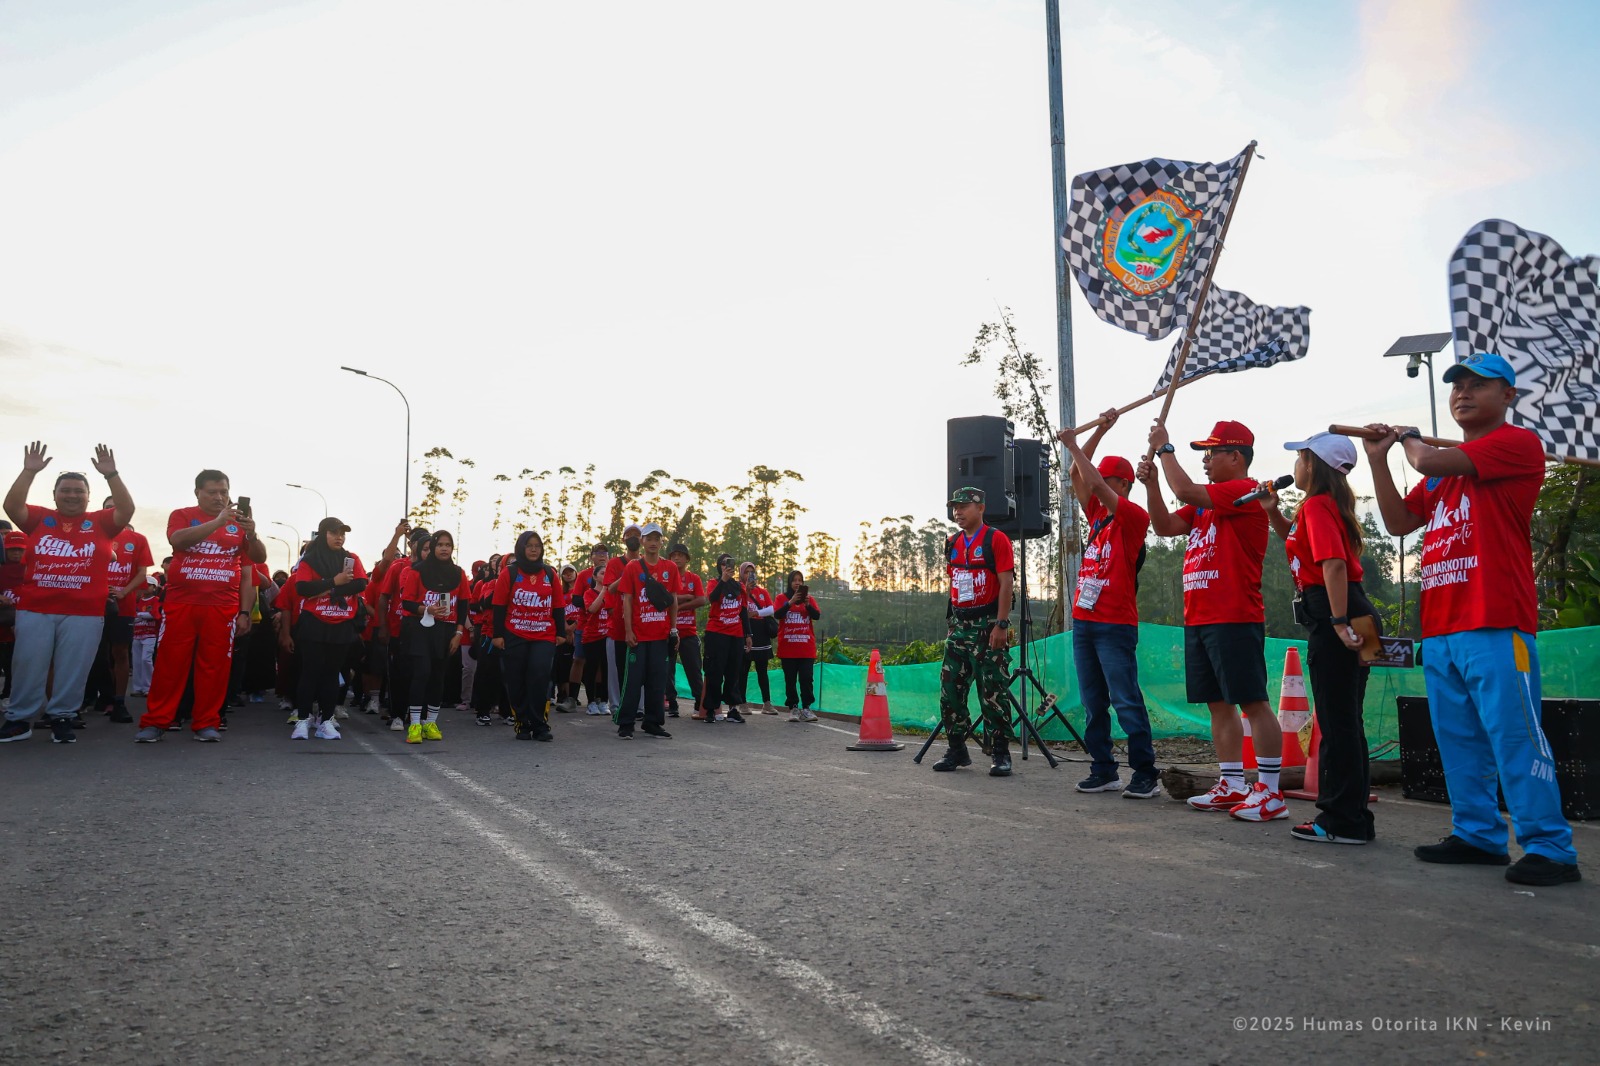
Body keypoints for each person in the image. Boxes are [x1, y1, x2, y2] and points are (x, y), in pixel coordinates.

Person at [1367, 352, 1579, 886]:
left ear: (1508, 396)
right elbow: (1398, 521)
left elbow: (1424, 460)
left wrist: (1409, 438)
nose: (1463, 392)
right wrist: (1377, 459)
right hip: (1442, 626)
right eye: (1457, 384)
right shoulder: (1443, 473)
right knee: (1458, 739)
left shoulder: (1517, 444)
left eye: (1478, 385)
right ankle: (1478, 835)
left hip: (1496, 620)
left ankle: (1551, 848)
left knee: (1515, 736)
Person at [1140, 420, 1283, 820]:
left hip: (1234, 615)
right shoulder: (1206, 504)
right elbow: (1165, 526)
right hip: (1200, 617)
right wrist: (1152, 485)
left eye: (1211, 453)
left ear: (1235, 457)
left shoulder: (1244, 491)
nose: (1205, 460)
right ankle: (1232, 783)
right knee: (1218, 705)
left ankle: (1270, 792)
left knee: (1253, 702)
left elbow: (1184, 489)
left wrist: (1165, 450)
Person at [1262, 432, 1376, 844]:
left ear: (1312, 465)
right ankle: (1354, 817)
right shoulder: (1324, 506)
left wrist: (1339, 621)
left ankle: (1340, 820)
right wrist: (1272, 512)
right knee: (1347, 721)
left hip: (1338, 612)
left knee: (1337, 722)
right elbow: (1299, 545)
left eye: (1300, 457)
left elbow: (1334, 565)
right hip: (1352, 611)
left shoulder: (1317, 505)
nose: (1295, 464)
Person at [1, 443, 133, 744]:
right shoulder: (39, 518)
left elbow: (126, 509)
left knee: (74, 667)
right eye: (65, 490)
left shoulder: (101, 522)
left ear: (88, 496)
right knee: (27, 664)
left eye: (78, 491)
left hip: (85, 612)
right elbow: (12, 506)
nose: (72, 495)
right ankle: (19, 719)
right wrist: (29, 471)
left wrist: (111, 474)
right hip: (36, 608)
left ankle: (62, 716)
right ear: (55, 495)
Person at [1058, 417, 1159, 799]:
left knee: (1126, 700)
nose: (1096, 482)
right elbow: (1076, 474)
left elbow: (1093, 481)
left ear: (1123, 485)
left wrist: (1073, 443)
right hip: (1085, 622)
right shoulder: (1098, 517)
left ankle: (1145, 773)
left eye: (1105, 479)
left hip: (1115, 625)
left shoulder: (1133, 517)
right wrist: (1098, 431)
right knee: (1093, 702)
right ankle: (1103, 769)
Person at [135, 468, 265, 744]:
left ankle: (206, 722)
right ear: (198, 493)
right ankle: (156, 721)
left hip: (222, 607)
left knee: (214, 667)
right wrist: (218, 522)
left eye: (224, 492)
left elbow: (257, 559)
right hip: (181, 603)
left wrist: (251, 534)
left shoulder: (238, 524)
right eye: (212, 492)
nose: (219, 497)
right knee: (170, 664)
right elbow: (177, 540)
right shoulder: (182, 515)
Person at [932, 486, 1015, 777]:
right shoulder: (952, 542)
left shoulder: (996, 539)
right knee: (950, 690)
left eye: (964, 506)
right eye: (955, 507)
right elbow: (955, 580)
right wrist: (953, 622)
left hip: (988, 626)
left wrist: (1001, 624)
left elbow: (1006, 583)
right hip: (959, 626)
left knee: (992, 690)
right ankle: (956, 749)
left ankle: (1000, 752)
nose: (958, 512)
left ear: (980, 508)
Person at [287, 518, 369, 740]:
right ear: (323, 534)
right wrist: (335, 581)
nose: (339, 537)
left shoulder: (351, 559)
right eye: (334, 533)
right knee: (310, 672)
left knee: (332, 673)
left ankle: (325, 721)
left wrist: (328, 589)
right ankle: (303, 720)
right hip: (314, 623)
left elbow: (361, 583)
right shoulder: (309, 559)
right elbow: (303, 588)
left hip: (341, 623)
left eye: (342, 533)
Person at [492, 530, 566, 741]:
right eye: (529, 546)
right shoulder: (509, 573)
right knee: (516, 679)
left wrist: (561, 633)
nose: (534, 550)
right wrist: (498, 635)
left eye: (537, 546)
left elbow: (558, 605)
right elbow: (498, 605)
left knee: (540, 675)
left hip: (544, 634)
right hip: (515, 633)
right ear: (521, 548)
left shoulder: (549, 573)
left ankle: (540, 724)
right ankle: (522, 723)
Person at [399, 531, 471, 743]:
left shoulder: (458, 573)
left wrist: (459, 633)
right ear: (432, 548)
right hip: (421, 629)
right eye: (439, 544)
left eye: (448, 545)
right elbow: (406, 603)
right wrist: (426, 609)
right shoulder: (417, 571)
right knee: (422, 673)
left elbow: (463, 605)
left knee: (438, 676)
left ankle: (430, 723)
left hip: (447, 631)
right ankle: (414, 724)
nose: (444, 548)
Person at [614, 523, 681, 739]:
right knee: (633, 681)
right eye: (649, 538)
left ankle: (653, 722)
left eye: (656, 539)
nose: (653, 543)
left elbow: (673, 601)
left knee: (657, 681)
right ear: (642, 541)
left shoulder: (670, 568)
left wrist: (674, 630)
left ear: (662, 542)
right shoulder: (633, 567)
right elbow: (627, 599)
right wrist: (628, 631)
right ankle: (626, 723)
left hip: (661, 635)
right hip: (639, 635)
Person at [90, 496, 153, 723]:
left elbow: (142, 572)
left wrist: (124, 592)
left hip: (122, 606)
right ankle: (97, 697)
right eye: (108, 508)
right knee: (94, 655)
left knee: (120, 652)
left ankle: (118, 702)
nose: (112, 511)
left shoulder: (138, 539)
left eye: (117, 507)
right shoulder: (92, 534)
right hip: (91, 606)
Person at [378, 525, 427, 731]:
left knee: (422, 674)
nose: (424, 548)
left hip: (425, 631)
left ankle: (419, 716)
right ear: (411, 544)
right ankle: (397, 714)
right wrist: (383, 627)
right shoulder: (399, 566)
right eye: (419, 542)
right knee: (399, 675)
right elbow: (384, 597)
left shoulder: (434, 569)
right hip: (399, 629)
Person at [700, 553, 746, 723]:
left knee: (734, 672)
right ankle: (711, 709)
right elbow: (712, 599)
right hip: (717, 632)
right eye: (724, 564)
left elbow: (743, 611)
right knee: (715, 671)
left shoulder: (739, 586)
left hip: (736, 633)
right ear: (719, 567)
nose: (727, 567)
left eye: (730, 564)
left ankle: (733, 709)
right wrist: (723, 581)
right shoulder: (714, 583)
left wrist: (748, 634)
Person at [774, 569, 821, 722]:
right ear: (789, 582)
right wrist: (791, 602)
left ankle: (806, 708)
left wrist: (807, 605)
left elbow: (817, 616)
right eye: (794, 580)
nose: (797, 583)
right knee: (790, 679)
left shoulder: (809, 599)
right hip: (788, 648)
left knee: (807, 678)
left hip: (806, 648)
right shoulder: (781, 598)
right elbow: (777, 614)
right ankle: (793, 707)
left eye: (800, 580)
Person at [666, 544, 706, 719]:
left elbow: (701, 600)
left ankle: (699, 703)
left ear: (687, 559)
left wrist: (678, 606)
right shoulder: (666, 577)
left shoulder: (693, 578)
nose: (677, 558)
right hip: (669, 631)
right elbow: (666, 599)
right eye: (673, 555)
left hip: (689, 631)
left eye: (680, 555)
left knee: (694, 669)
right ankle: (672, 703)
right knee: (667, 670)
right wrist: (685, 597)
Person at [570, 544, 609, 711]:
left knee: (603, 665)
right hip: (585, 625)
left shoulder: (613, 574)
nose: (601, 555)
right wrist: (594, 600)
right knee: (580, 660)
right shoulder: (584, 575)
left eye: (604, 553)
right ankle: (572, 697)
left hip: (606, 630)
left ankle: (601, 698)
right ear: (592, 556)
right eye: (598, 552)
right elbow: (576, 599)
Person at [740, 562, 777, 714]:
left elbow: (771, 609)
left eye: (752, 572)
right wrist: (746, 591)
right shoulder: (739, 591)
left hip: (762, 632)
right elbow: (738, 608)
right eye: (746, 572)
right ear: (741, 574)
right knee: (743, 670)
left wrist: (756, 613)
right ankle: (742, 703)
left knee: (762, 670)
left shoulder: (762, 592)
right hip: (746, 631)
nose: (749, 575)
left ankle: (767, 703)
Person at [130, 578, 162, 696]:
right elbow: (133, 615)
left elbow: (155, 614)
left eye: (149, 585)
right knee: (137, 661)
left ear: (154, 587)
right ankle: (138, 688)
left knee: (146, 659)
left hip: (150, 634)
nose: (146, 587)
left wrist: (140, 615)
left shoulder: (156, 600)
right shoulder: (138, 600)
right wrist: (143, 615)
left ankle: (148, 687)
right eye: (144, 585)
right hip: (137, 633)